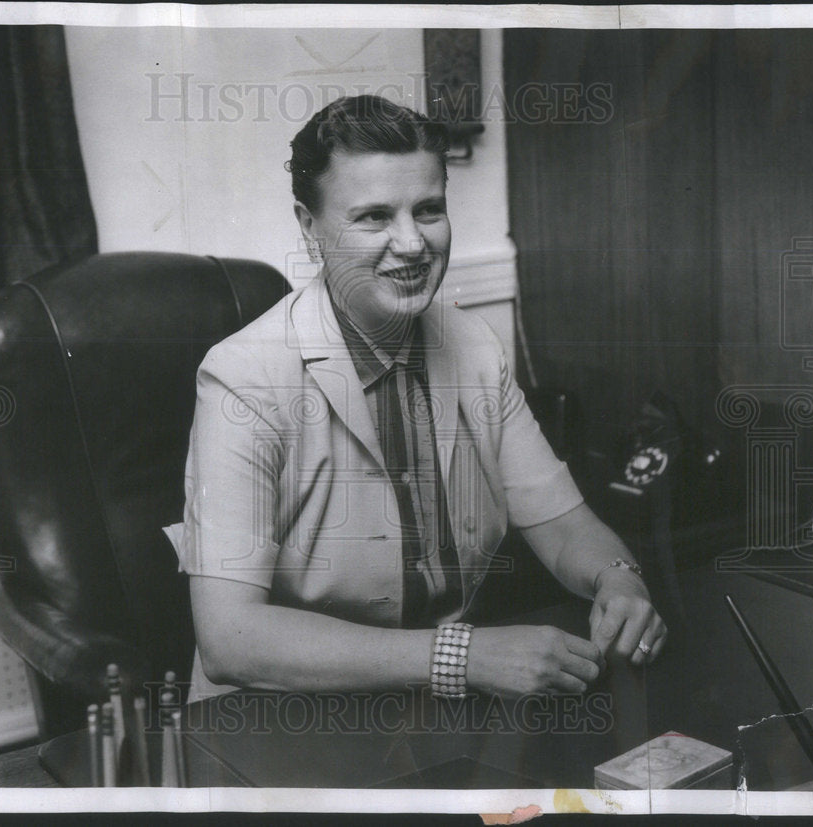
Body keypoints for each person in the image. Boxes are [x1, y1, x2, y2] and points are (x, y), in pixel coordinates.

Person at [166, 95, 666, 702]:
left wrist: (620, 580)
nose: (411, 244)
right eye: (374, 217)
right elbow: (231, 639)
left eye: (428, 210)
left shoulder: (474, 344)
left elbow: (562, 526)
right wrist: (461, 656)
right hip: (278, 715)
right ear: (310, 226)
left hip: (429, 702)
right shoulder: (243, 378)